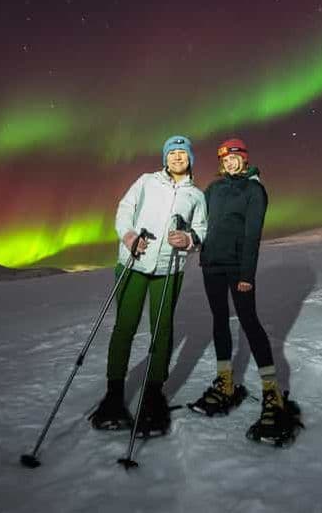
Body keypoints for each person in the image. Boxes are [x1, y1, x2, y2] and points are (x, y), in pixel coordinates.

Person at [90, 135, 207, 437]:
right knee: (125, 326)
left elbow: (202, 228)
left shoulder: (196, 195)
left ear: (190, 159)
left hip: (169, 269)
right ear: (165, 158)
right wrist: (129, 236)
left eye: (182, 153)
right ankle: (114, 395)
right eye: (172, 153)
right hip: (134, 263)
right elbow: (124, 209)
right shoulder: (146, 181)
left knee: (162, 329)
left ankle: (154, 395)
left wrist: (189, 239)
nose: (177, 157)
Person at [190, 137, 302, 443]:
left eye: (234, 158)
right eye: (225, 160)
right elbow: (200, 220)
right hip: (211, 264)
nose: (229, 163)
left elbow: (253, 235)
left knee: (249, 322)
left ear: (244, 158)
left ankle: (272, 392)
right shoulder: (213, 189)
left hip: (238, 268)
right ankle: (225, 381)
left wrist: (246, 274)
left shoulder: (254, 190)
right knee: (219, 321)